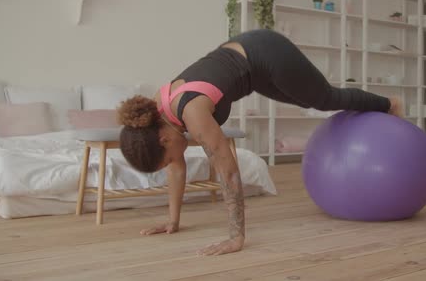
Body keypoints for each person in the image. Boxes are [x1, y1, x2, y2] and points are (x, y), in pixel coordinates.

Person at [116, 29, 403, 256]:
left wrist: (235, 236)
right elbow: (176, 169)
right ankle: (381, 105)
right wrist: (173, 222)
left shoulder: (192, 113)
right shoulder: (158, 116)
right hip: (250, 63)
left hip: (264, 52)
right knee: (305, 98)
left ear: (164, 138)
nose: (172, 162)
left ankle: (389, 104)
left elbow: (227, 169)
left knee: (323, 98)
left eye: (165, 158)